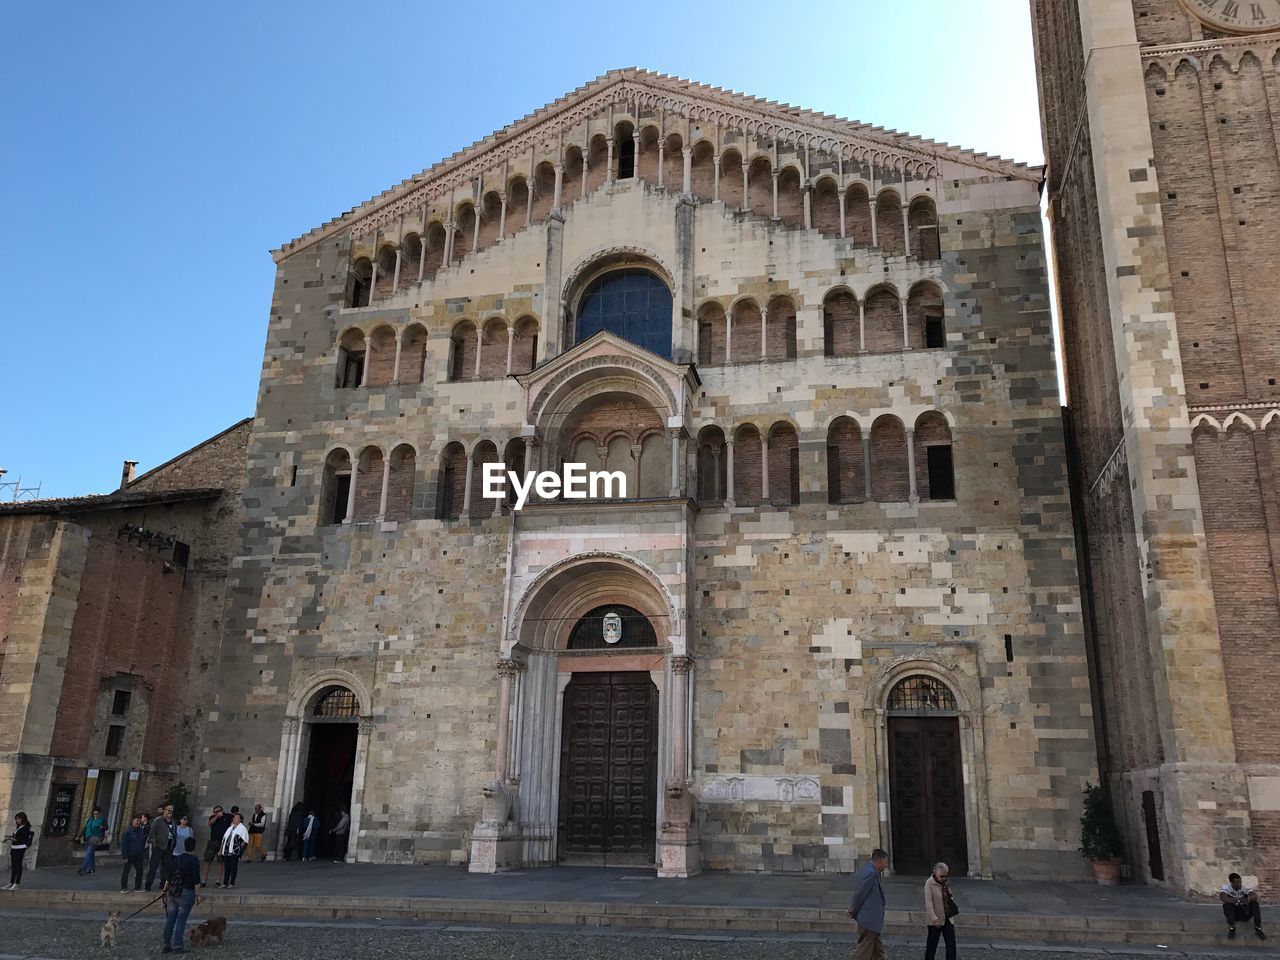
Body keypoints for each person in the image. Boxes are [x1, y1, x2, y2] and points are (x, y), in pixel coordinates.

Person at [161, 836, 204, 954]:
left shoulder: (176, 859)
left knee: (170, 918)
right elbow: (196, 879)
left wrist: (164, 890)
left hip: (173, 891)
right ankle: (178, 945)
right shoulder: (194, 860)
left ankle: (166, 944)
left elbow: (169, 877)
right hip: (187, 892)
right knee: (181, 920)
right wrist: (198, 895)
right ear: (194, 847)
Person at [848, 848, 889, 960]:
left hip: (871, 921)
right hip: (869, 921)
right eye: (885, 863)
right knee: (863, 952)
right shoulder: (871, 873)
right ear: (879, 861)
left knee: (878, 952)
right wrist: (853, 909)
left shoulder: (869, 870)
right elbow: (860, 893)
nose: (886, 866)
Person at [924, 861, 958, 960]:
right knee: (932, 944)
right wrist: (934, 918)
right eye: (941, 876)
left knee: (951, 944)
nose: (943, 878)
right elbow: (928, 903)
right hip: (936, 919)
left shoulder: (944, 883)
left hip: (948, 917)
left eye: (945, 876)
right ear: (935, 872)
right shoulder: (929, 883)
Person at [1220, 872, 1266, 940]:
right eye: (1237, 882)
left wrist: (1247, 899)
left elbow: (1254, 896)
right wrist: (1237, 900)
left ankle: (1258, 928)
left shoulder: (1244, 887)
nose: (1239, 884)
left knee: (1255, 904)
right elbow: (1223, 898)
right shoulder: (1226, 888)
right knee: (1226, 905)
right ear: (1231, 882)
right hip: (1234, 914)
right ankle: (1232, 928)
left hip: (1245, 913)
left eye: (1240, 882)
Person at [145, 804, 175, 892]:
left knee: (166, 867)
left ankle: (163, 885)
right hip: (159, 847)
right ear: (164, 811)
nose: (170, 811)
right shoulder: (158, 821)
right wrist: (155, 844)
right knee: (153, 867)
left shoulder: (173, 821)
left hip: (169, 847)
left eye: (171, 810)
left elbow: (174, 833)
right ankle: (148, 884)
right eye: (168, 809)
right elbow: (151, 834)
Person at [218, 812, 250, 889]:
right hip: (227, 850)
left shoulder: (242, 828)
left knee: (233, 866)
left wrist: (239, 849)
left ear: (240, 819)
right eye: (234, 817)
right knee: (227, 867)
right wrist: (221, 850)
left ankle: (232, 883)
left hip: (235, 850)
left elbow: (245, 840)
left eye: (237, 817)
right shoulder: (230, 828)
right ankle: (225, 883)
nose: (235, 819)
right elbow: (224, 839)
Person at [3, 811, 34, 891]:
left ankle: (16, 883)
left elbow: (21, 839)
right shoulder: (19, 827)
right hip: (14, 848)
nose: (17, 821)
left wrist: (12, 838)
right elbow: (16, 837)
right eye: (16, 819)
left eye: (18, 819)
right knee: (13, 866)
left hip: (20, 848)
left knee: (18, 866)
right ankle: (11, 882)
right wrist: (9, 838)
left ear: (23, 819)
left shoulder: (26, 828)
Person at [203, 805, 232, 886]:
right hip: (213, 841)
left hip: (222, 842)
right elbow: (210, 823)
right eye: (216, 811)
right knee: (207, 861)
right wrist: (216, 817)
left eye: (219, 811)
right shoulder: (213, 817)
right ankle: (204, 880)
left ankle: (218, 880)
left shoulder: (228, 816)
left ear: (222, 810)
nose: (218, 812)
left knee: (220, 861)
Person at [119, 815, 147, 893]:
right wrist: (125, 856)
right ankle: (123, 887)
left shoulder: (141, 831)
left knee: (140, 871)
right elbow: (124, 845)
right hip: (129, 854)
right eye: (136, 821)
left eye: (139, 821)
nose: (138, 822)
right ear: (132, 821)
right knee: (126, 871)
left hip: (138, 854)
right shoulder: (127, 832)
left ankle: (137, 887)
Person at [76, 806, 105, 876]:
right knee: (91, 854)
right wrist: (79, 836)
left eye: (97, 813)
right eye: (94, 813)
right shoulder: (90, 819)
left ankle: (83, 868)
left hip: (95, 839)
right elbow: (85, 828)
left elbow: (106, 827)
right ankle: (92, 868)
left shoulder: (102, 820)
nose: (95, 815)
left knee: (88, 853)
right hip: (87, 838)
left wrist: (102, 827)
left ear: (99, 814)